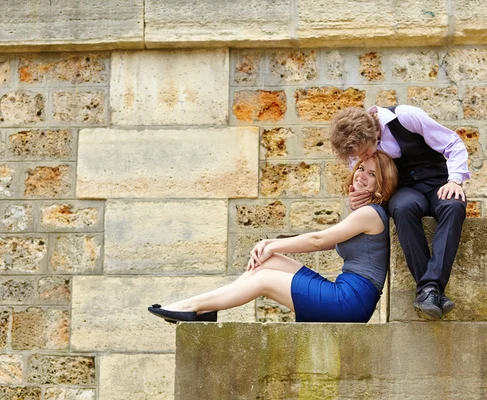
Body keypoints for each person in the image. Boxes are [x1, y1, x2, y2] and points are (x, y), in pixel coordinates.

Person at [148, 151, 398, 324]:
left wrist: (272, 243)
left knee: (265, 278)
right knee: (268, 262)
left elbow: (318, 241)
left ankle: (191, 306)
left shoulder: (369, 214)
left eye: (372, 174)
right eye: (361, 168)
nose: (361, 175)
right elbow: (325, 241)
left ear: (381, 184)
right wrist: (272, 249)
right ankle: (207, 307)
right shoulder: (366, 212)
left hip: (350, 302)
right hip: (346, 294)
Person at [329, 105, 470, 320]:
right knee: (403, 208)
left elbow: (452, 142)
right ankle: (431, 290)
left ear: (369, 133)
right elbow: (364, 182)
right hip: (405, 191)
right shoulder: (357, 148)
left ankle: (428, 289)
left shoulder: (405, 117)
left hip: (438, 183)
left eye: (364, 151)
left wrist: (455, 181)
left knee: (454, 205)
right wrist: (357, 199)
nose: (364, 156)